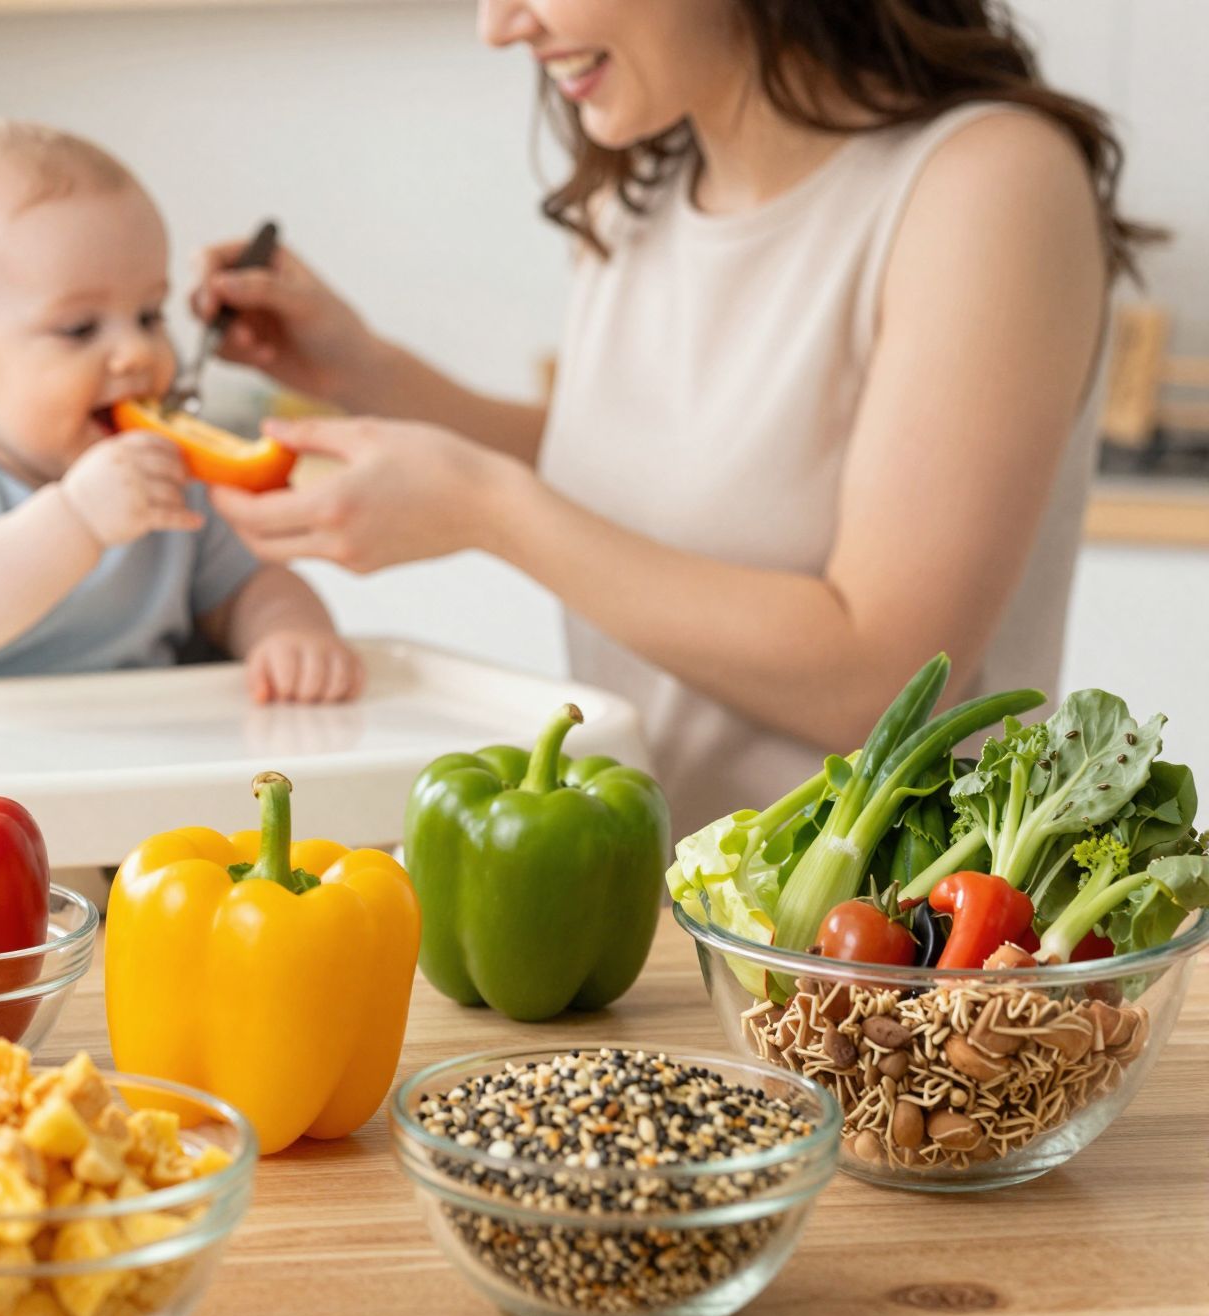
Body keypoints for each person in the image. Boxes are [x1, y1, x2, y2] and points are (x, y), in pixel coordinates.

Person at [194, 0, 1151, 830]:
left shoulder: (986, 184)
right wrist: (366, 372)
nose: (497, 28)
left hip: (895, 963)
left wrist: (485, 511)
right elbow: (629, 479)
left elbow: (879, 675)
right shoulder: (639, 189)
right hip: (649, 916)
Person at [0, 120, 363, 704]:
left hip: (119, 767)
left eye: (149, 316)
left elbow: (248, 587)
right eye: (80, 328)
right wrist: (78, 519)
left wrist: (290, 634)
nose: (137, 353)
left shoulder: (169, 480)